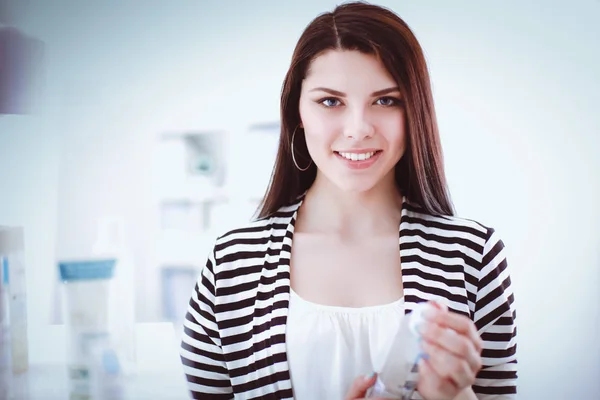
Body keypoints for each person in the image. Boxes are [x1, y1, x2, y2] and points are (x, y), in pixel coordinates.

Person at [179, 2, 517, 399]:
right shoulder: (232, 264)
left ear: (415, 111)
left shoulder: (472, 256)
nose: (358, 129)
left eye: (386, 100)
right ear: (297, 112)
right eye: (330, 101)